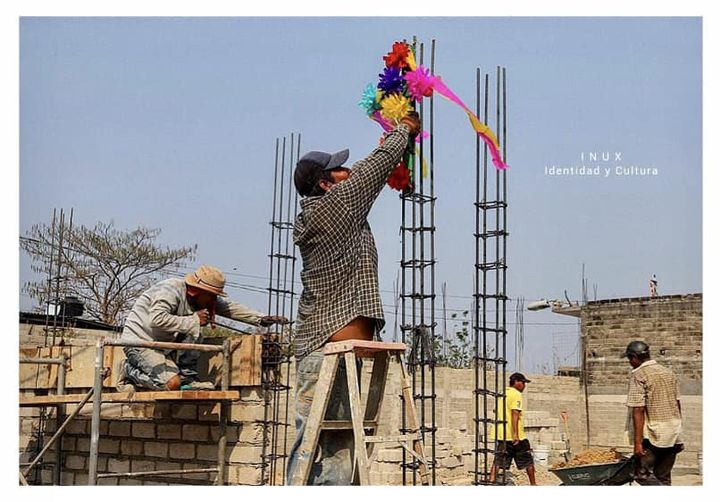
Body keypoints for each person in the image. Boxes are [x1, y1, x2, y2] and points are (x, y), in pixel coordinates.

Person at [286, 112, 422, 485]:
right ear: (326, 184)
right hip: (327, 347)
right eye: (339, 170)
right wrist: (404, 129)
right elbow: (374, 168)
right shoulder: (335, 206)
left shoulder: (331, 209)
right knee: (322, 451)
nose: (347, 172)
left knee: (335, 448)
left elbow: (367, 170)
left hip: (334, 348)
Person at [118, 265, 286, 391]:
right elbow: (156, 319)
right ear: (197, 290)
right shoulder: (169, 290)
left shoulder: (202, 299)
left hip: (163, 344)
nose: (214, 300)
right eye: (212, 295)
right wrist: (194, 319)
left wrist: (261, 319)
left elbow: (229, 308)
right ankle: (128, 370)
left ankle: (188, 377)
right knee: (172, 384)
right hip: (140, 343)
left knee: (195, 329)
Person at [623, 340, 684, 485]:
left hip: (653, 434)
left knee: (641, 475)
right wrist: (679, 435)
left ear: (634, 357)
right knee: (663, 477)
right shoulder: (668, 372)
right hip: (672, 431)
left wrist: (637, 444)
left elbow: (638, 409)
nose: (630, 363)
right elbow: (677, 404)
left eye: (629, 359)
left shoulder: (639, 374)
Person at [489, 372, 537, 485]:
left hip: (501, 434)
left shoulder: (502, 394)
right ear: (516, 382)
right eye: (523, 383)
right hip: (515, 436)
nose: (524, 386)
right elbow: (514, 413)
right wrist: (515, 434)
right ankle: (533, 485)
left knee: (498, 461)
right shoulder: (516, 394)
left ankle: (491, 482)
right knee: (528, 461)